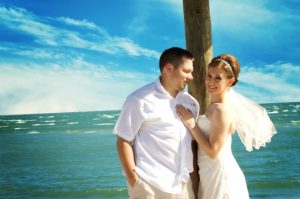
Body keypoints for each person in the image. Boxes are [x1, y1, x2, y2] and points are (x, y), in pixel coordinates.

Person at [176, 54, 276, 199]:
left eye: (218, 78)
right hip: (208, 173)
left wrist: (192, 124)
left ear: (230, 81)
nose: (211, 82)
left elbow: (212, 151)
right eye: (209, 76)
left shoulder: (222, 110)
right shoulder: (213, 106)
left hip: (221, 176)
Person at [113, 47, 200, 199]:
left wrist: (194, 182)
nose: (191, 77)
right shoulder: (139, 99)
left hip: (183, 186)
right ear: (169, 68)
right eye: (186, 71)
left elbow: (190, 144)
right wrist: (135, 181)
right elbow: (123, 140)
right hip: (150, 185)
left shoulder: (190, 103)